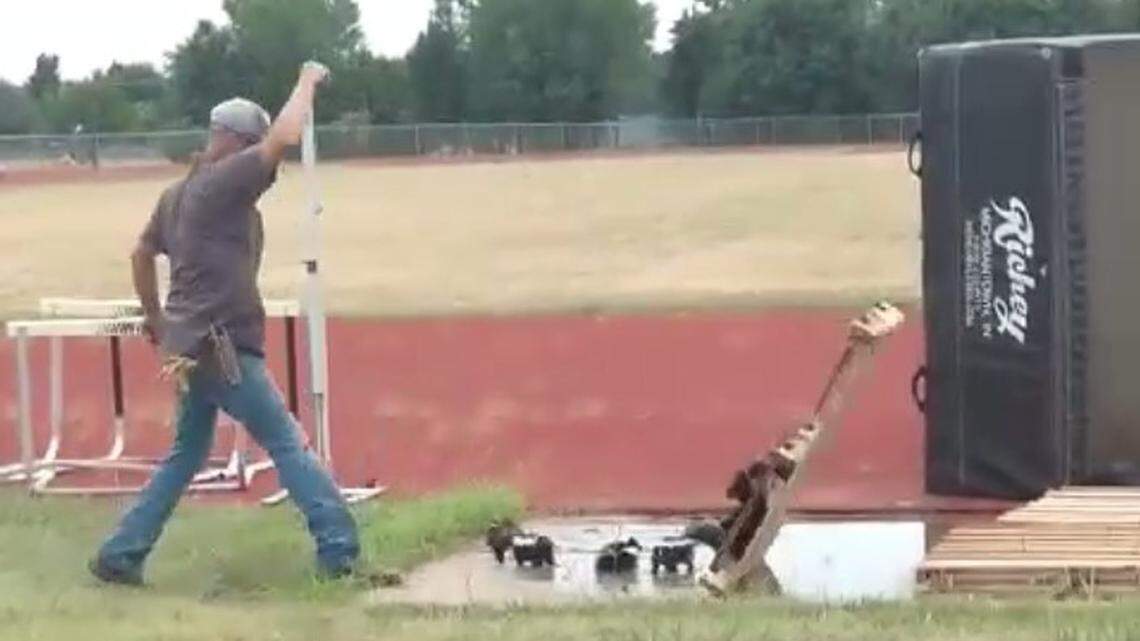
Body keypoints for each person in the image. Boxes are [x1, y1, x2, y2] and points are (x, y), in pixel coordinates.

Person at [89, 62, 360, 586]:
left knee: (185, 455)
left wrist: (157, 321)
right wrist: (306, 79)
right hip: (223, 345)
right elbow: (284, 137)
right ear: (236, 140)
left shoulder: (178, 193)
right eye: (252, 144)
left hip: (189, 345)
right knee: (286, 442)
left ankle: (120, 554)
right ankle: (339, 550)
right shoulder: (226, 180)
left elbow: (141, 253)